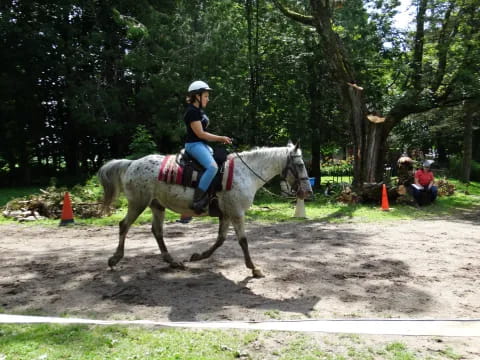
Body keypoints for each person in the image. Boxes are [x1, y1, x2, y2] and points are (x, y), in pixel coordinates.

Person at [184, 80, 232, 213]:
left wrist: (219, 139)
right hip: (194, 145)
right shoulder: (192, 112)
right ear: (197, 96)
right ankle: (197, 200)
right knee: (212, 167)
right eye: (205, 96)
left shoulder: (198, 111)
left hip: (202, 144)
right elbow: (200, 134)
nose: (208, 99)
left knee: (221, 161)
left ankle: (213, 198)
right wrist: (220, 138)